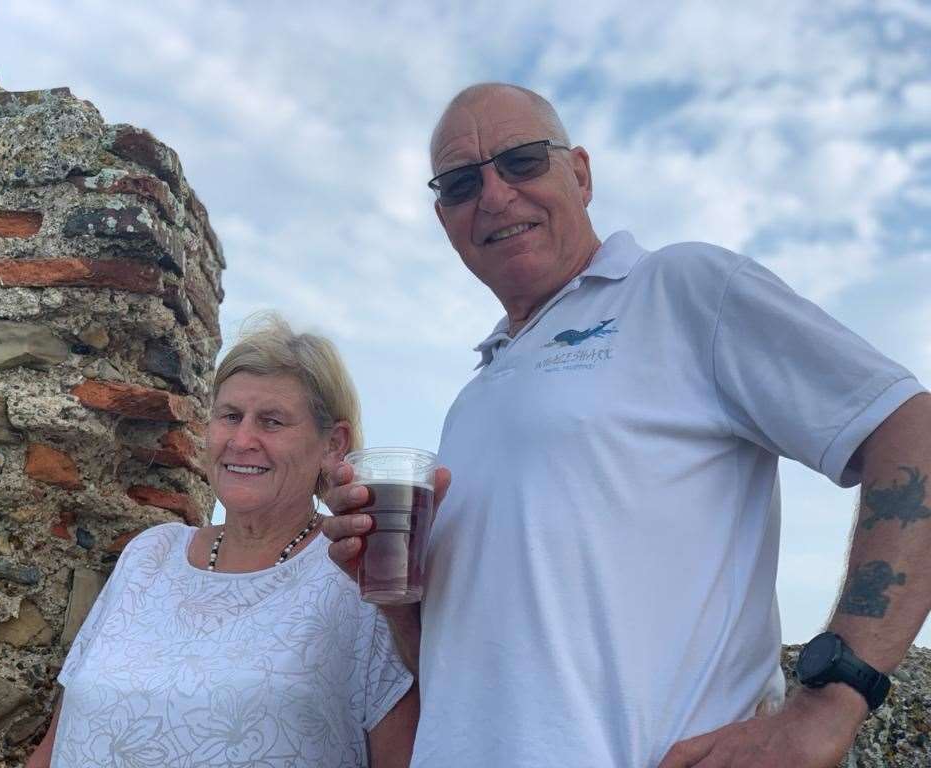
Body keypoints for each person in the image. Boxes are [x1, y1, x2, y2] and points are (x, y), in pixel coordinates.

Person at [322, 82, 931, 768]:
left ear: (579, 173)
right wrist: (397, 601)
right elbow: (459, 666)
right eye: (462, 183)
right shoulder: (475, 397)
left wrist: (832, 700)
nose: (493, 195)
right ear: (444, 218)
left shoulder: (681, 288)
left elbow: (913, 429)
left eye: (521, 161)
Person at [27, 312, 418, 768]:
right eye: (230, 416)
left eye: (272, 421)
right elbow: (58, 742)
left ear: (333, 444)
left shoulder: (355, 572)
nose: (243, 439)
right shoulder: (150, 555)